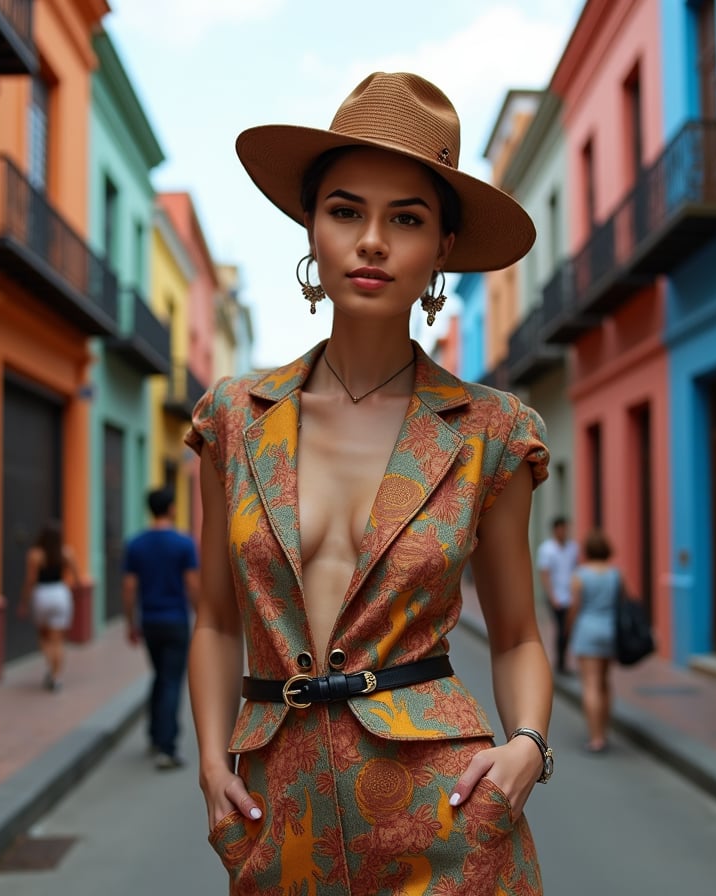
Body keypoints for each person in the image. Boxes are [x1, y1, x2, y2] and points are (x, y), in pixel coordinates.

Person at [185, 72, 553, 894]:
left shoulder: (492, 433)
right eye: (346, 210)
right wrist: (212, 762)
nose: (373, 241)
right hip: (279, 820)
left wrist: (528, 743)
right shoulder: (235, 421)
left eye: (408, 219)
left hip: (449, 818)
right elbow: (214, 617)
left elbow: (520, 632)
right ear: (312, 228)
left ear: (444, 249)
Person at [122, 487, 200, 770]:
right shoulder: (183, 544)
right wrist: (202, 616)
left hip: (150, 622)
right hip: (175, 621)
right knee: (170, 680)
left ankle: (155, 734)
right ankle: (167, 748)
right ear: (170, 508)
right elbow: (192, 584)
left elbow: (130, 587)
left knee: (159, 675)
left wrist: (131, 622)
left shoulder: (136, 544)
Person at [567, 529, 619, 753]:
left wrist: (568, 630)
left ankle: (595, 737)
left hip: (588, 631)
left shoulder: (580, 575)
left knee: (590, 685)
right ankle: (604, 732)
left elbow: (575, 608)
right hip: (610, 631)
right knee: (605, 683)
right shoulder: (616, 575)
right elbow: (624, 603)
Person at [18, 519, 79, 691]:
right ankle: (56, 676)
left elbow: (30, 581)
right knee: (58, 640)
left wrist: (24, 602)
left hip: (42, 594)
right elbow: (77, 578)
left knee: (44, 637)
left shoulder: (35, 555)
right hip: (61, 593)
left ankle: (51, 667)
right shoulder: (67, 553)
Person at [537, 516, 579, 675]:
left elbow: (575, 571)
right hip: (556, 596)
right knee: (560, 628)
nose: (564, 532)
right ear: (555, 530)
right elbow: (545, 574)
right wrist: (552, 596)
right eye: (561, 529)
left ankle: (563, 660)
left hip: (569, 596)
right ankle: (560, 662)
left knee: (567, 630)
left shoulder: (573, 548)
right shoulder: (547, 549)